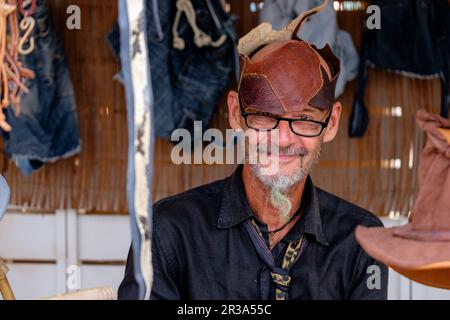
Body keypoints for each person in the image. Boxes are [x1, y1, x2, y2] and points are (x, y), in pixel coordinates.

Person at [118, 0, 388, 300]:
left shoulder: (363, 240)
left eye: (305, 119)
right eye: (265, 117)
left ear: (332, 122)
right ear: (236, 114)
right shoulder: (171, 231)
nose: (283, 139)